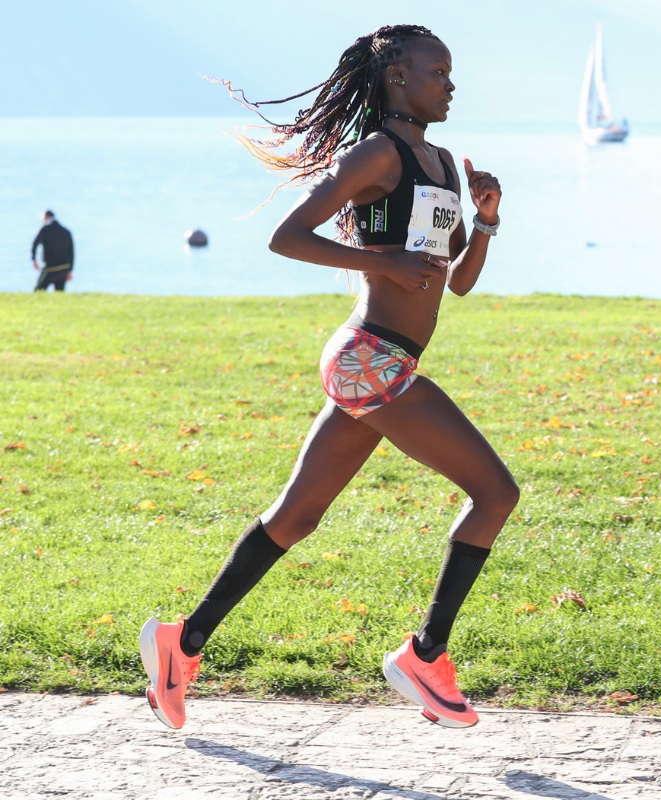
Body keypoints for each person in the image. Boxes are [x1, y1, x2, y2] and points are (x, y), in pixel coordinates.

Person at [138, 24, 517, 731]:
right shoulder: (375, 153)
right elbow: (287, 237)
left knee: (296, 517)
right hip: (370, 358)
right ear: (398, 77)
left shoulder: (441, 164)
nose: (451, 84)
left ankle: (179, 645)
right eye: (439, 72)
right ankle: (424, 656)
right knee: (496, 492)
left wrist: (486, 223)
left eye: (452, 72)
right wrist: (380, 263)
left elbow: (454, 283)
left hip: (384, 364)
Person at [31, 210, 74, 291]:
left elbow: (35, 243)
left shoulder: (45, 229)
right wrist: (70, 270)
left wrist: (33, 259)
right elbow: (71, 253)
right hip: (64, 267)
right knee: (59, 295)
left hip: (50, 268)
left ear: (45, 218)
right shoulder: (66, 231)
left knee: (37, 292)